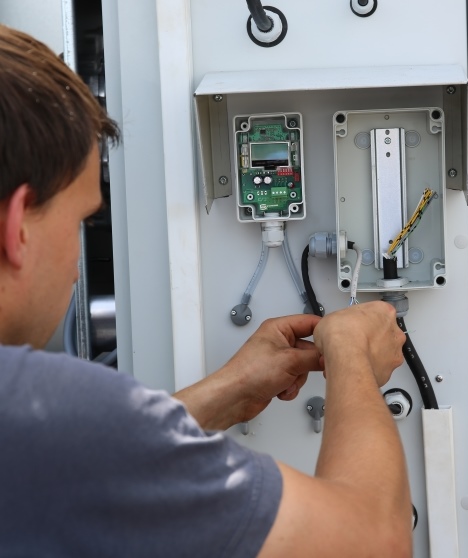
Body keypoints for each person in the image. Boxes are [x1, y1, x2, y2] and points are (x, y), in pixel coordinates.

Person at [0, 24, 412, 557]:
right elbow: (374, 543)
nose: (78, 268)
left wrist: (229, 391)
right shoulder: (40, 408)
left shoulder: (33, 429)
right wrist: (354, 357)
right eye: (80, 222)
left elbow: (82, 464)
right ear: (18, 228)